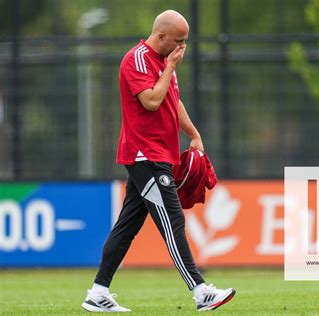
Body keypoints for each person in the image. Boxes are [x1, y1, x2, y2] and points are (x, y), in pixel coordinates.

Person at [81, 10, 235, 313]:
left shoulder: (166, 64)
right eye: (178, 41)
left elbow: (171, 101)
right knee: (172, 221)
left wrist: (194, 134)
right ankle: (201, 292)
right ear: (160, 36)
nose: (182, 49)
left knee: (127, 226)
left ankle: (97, 292)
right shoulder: (137, 59)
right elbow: (151, 100)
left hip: (159, 154)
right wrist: (169, 68)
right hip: (145, 155)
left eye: (185, 43)